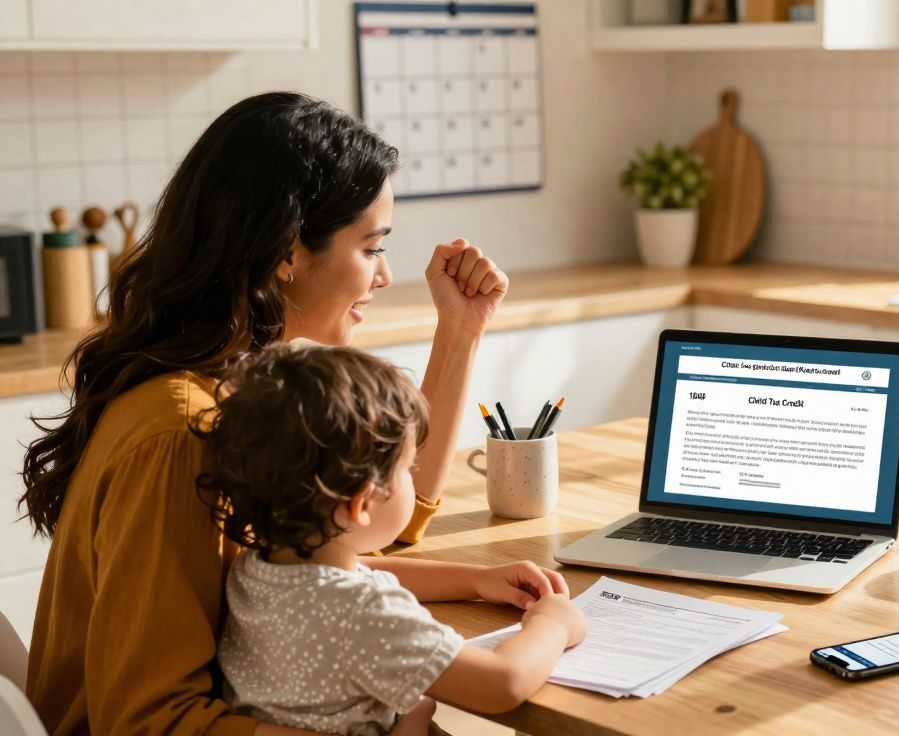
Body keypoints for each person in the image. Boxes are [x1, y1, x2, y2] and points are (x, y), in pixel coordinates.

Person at [19, 91, 558, 735]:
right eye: (371, 247)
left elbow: (360, 530)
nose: (384, 276)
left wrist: (461, 331)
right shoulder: (182, 430)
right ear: (288, 253)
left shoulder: (243, 393)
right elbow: (150, 721)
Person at [199, 344, 587, 734]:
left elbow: (364, 571)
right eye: (408, 468)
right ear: (361, 503)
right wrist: (552, 625)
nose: (413, 478)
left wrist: (476, 581)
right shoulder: (364, 615)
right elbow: (501, 683)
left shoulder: (256, 568)